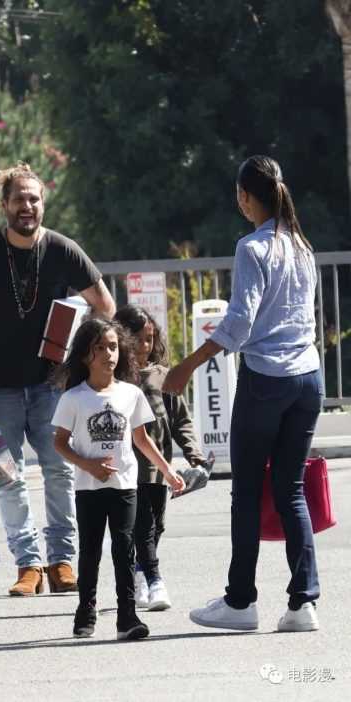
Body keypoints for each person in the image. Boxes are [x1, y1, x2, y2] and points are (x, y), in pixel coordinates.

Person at [164, 155, 323, 633]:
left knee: (247, 493)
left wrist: (186, 367)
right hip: (308, 377)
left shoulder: (252, 248)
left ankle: (240, 602)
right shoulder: (302, 245)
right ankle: (303, 604)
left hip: (266, 380)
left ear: (244, 197)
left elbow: (238, 324)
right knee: (291, 490)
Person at [0, 163, 116, 596]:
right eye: (18, 199)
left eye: (34, 198)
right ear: (4, 205)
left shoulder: (63, 249)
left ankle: (61, 561)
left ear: (43, 203)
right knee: (9, 478)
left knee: (59, 472)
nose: (26, 206)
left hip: (52, 387)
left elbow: (105, 307)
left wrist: (79, 349)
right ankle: (28, 566)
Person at [52, 318, 185, 640]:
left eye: (113, 347)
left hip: (125, 486)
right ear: (85, 355)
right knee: (90, 551)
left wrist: (167, 471)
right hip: (89, 488)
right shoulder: (73, 398)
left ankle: (127, 616)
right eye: (99, 347)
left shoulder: (131, 394)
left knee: (125, 550)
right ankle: (86, 610)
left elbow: (141, 439)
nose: (108, 354)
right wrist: (88, 465)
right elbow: (60, 443)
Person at [114, 305, 208, 611]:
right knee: (143, 526)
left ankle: (139, 572)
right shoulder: (115, 379)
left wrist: (194, 456)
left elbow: (181, 420)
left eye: (150, 338)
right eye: (138, 339)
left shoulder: (162, 376)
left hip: (159, 468)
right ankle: (153, 580)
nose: (145, 346)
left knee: (157, 525)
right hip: (129, 468)